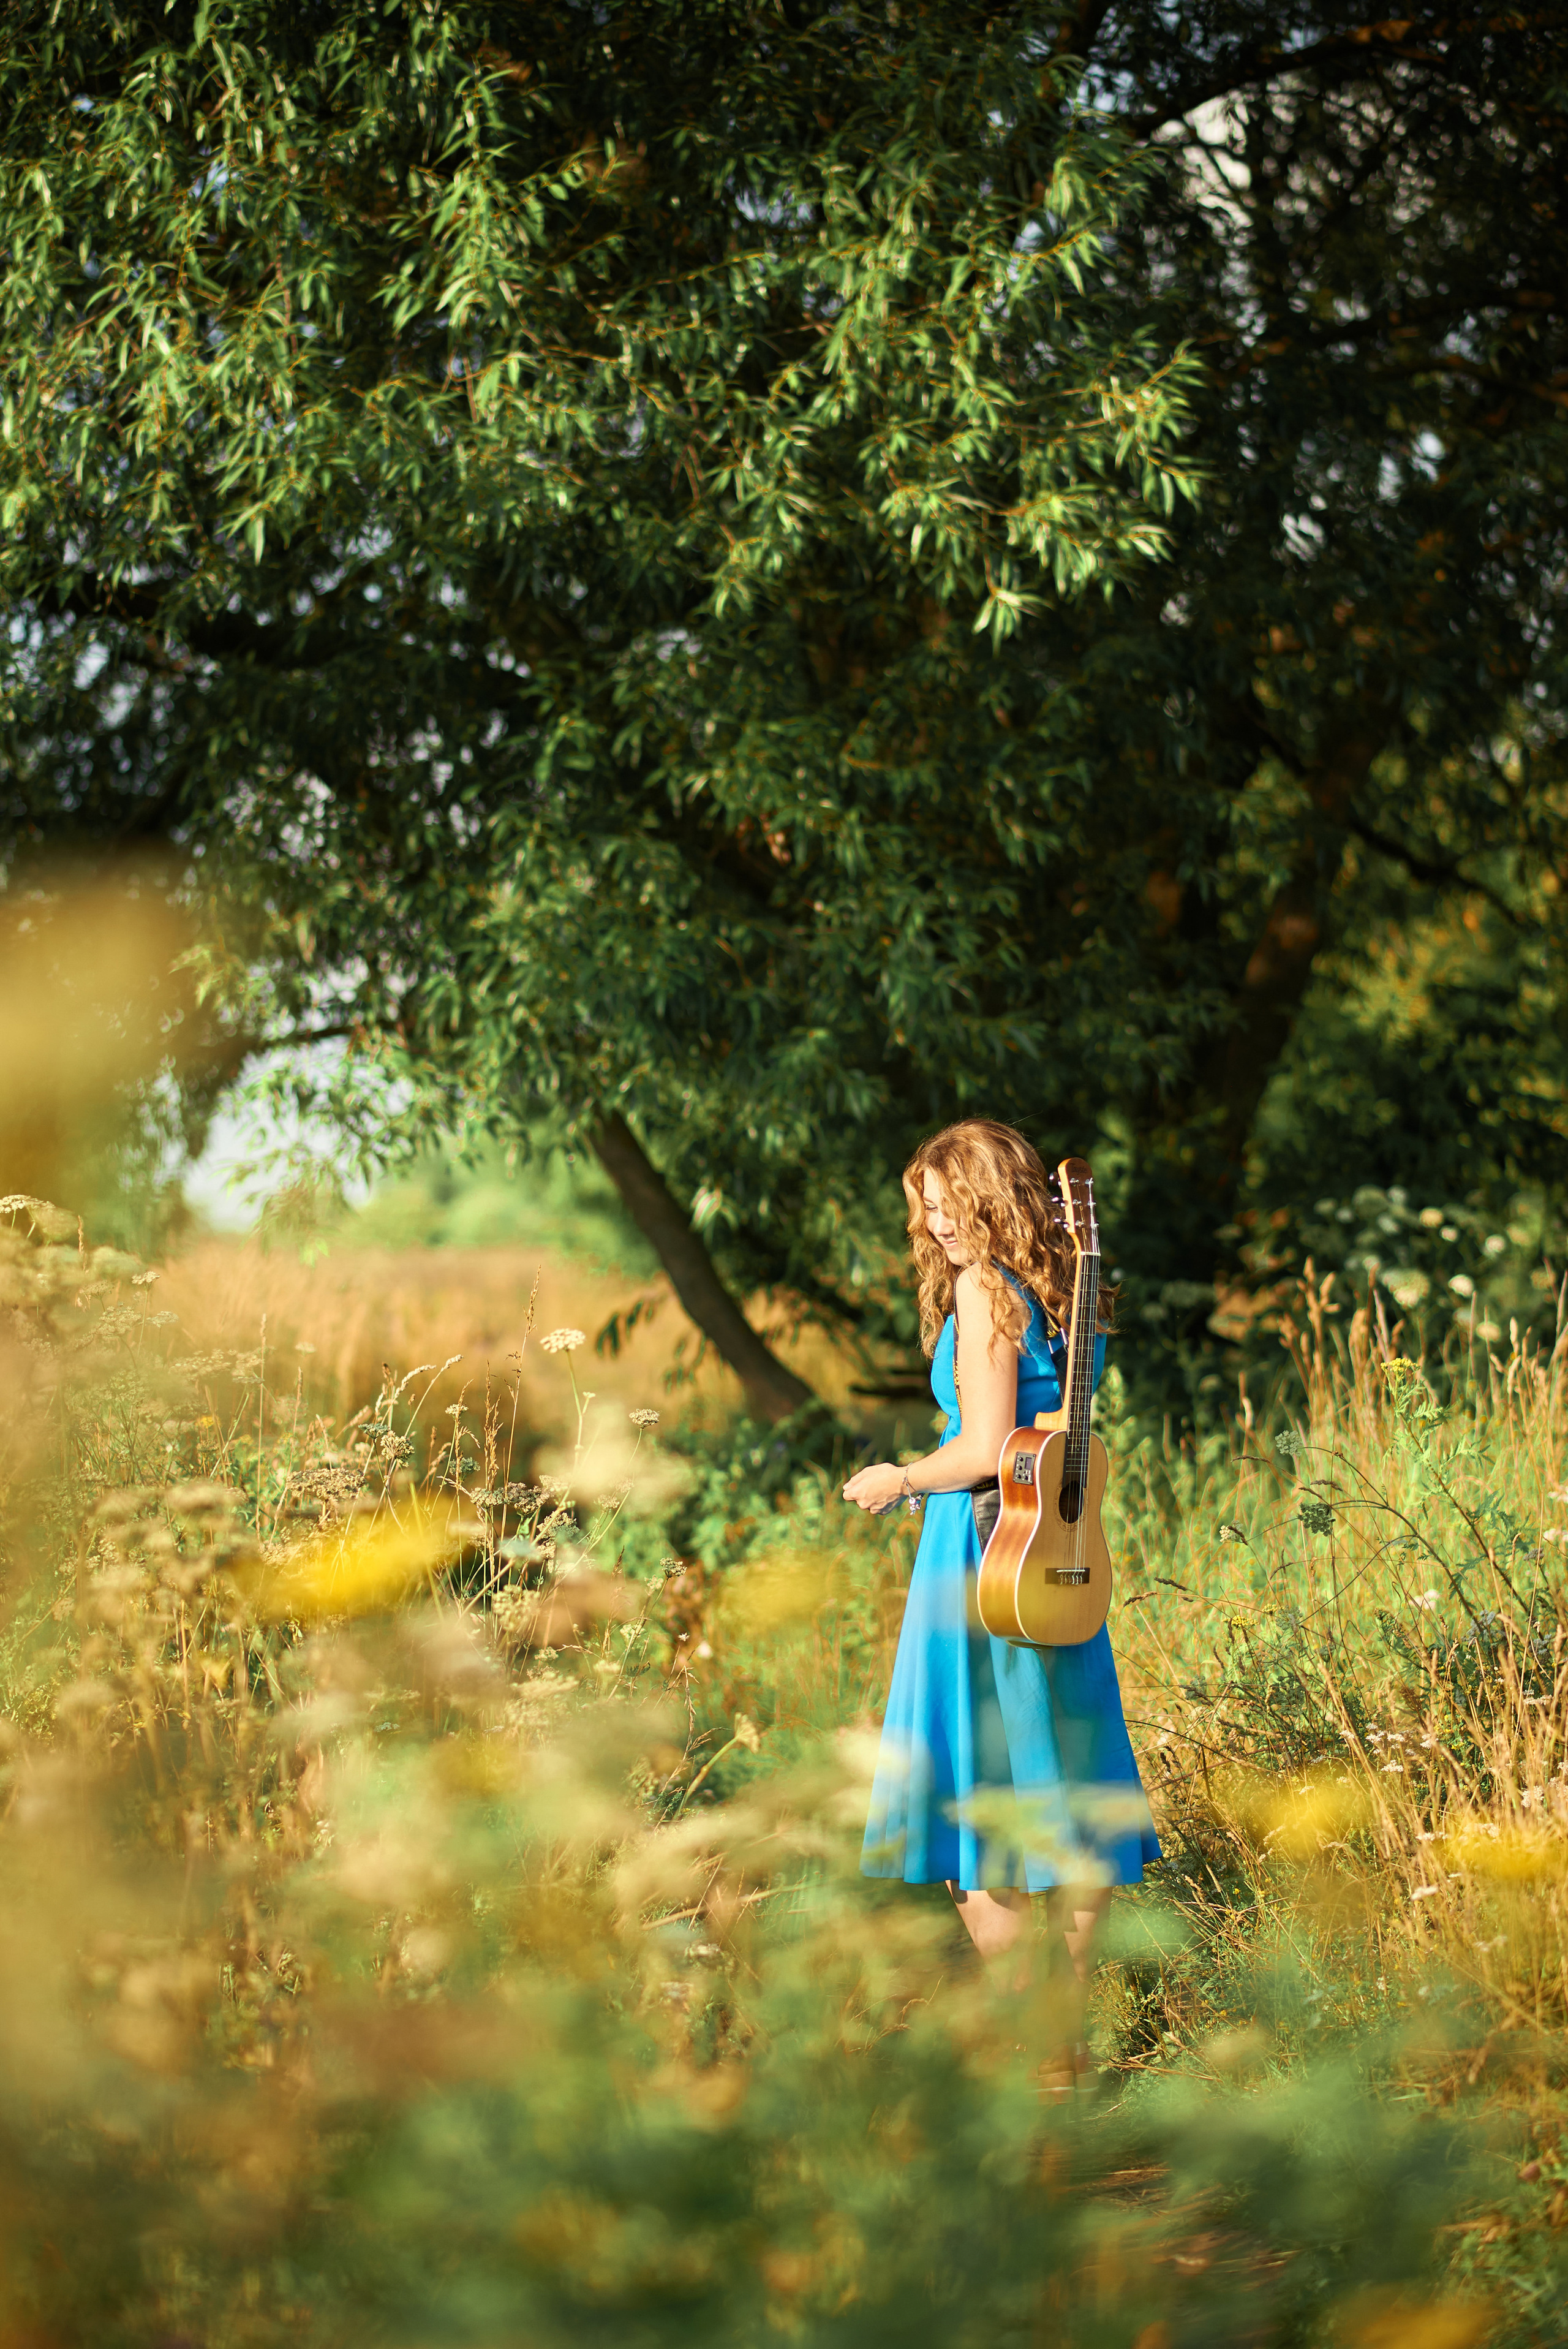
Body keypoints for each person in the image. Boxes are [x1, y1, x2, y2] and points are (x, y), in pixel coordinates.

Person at [842, 1118, 1158, 2071]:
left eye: (945, 1203)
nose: (934, 1222)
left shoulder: (985, 1290)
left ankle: (1040, 2045)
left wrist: (900, 1473)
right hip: (1059, 1558)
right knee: (1066, 1791)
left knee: (976, 1804)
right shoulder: (1064, 1292)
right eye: (924, 1209)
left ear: (986, 1196)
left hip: (984, 1557)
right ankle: (1062, 2030)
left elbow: (984, 1448)